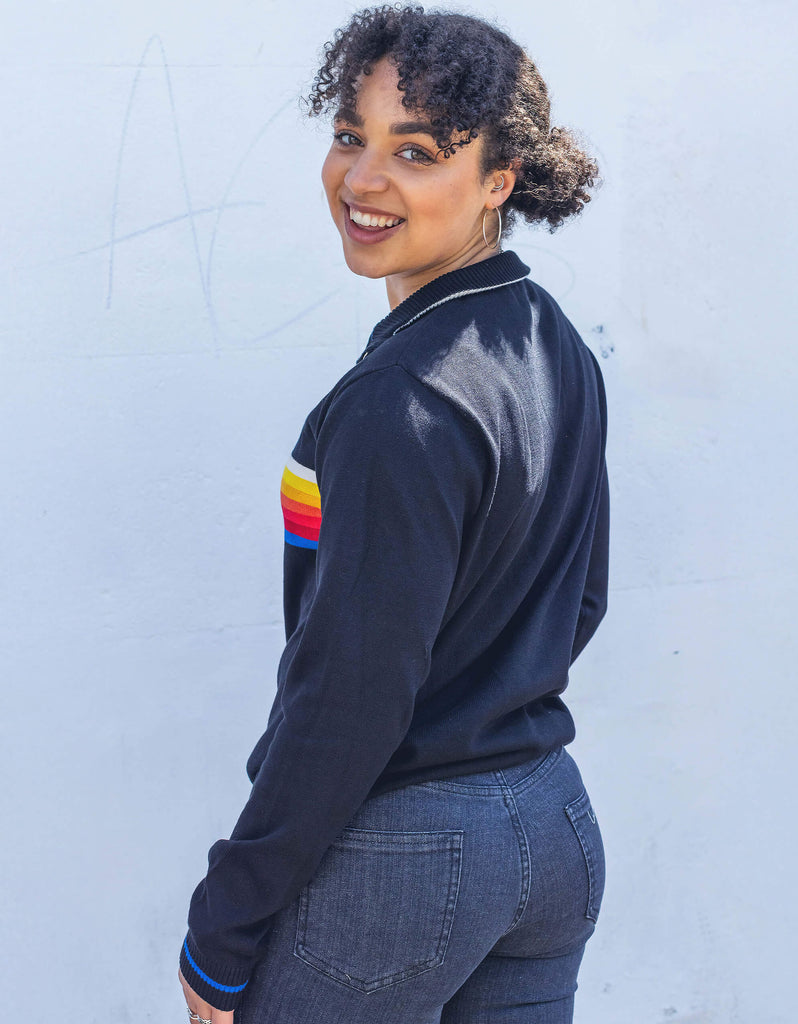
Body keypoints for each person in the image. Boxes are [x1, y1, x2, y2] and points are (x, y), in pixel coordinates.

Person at [178, 5, 609, 1023]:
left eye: (415, 152)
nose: (362, 180)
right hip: (550, 824)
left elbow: (351, 693)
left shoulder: (399, 399)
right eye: (349, 136)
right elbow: (581, 598)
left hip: (410, 857)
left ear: (499, 180)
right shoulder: (548, 340)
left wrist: (226, 922)